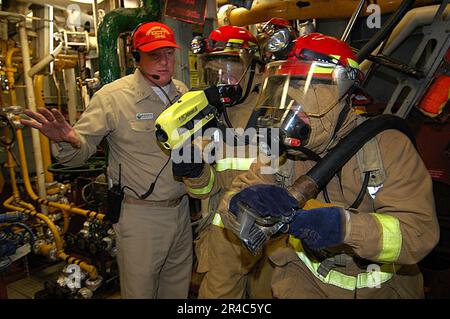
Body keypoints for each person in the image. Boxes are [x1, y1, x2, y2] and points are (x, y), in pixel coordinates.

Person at [218, 33, 440, 298]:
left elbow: (419, 233)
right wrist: (241, 204)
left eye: (304, 94)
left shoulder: (387, 146)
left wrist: (344, 227)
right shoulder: (280, 152)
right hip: (303, 282)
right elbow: (233, 201)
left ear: (340, 95)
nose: (289, 109)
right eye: (283, 93)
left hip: (378, 288)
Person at [20, 21, 192, 299]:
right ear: (135, 56)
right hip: (141, 217)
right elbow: (80, 150)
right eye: (154, 55)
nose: (164, 62)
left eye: (169, 54)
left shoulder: (182, 92)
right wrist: (67, 139)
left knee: (177, 289)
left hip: (182, 209)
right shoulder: (113, 98)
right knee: (140, 292)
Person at [172, 25, 288, 298]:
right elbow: (203, 190)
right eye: (213, 71)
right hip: (223, 235)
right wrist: (195, 170)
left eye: (230, 70)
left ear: (255, 69)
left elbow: (286, 176)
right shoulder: (205, 115)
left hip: (270, 236)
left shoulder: (277, 110)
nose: (221, 79)